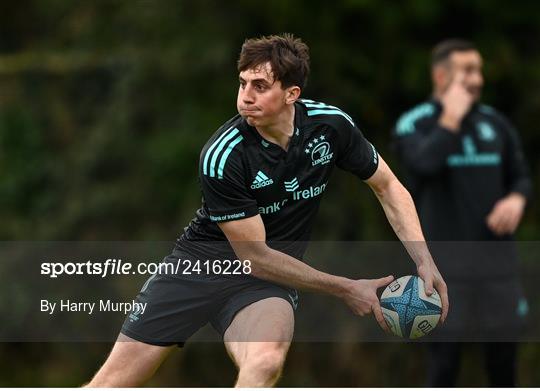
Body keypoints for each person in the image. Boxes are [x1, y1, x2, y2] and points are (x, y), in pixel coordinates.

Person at [86, 34, 448, 387]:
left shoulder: (330, 127)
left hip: (262, 286)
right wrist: (346, 288)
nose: (245, 97)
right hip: (195, 271)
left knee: (266, 362)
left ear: (292, 94)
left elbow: (388, 187)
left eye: (260, 86)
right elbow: (255, 256)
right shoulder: (224, 155)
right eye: (242, 84)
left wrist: (424, 260)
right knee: (110, 385)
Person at [392, 39, 532, 387]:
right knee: (444, 367)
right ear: (441, 76)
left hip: (498, 269)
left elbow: (521, 177)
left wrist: (516, 198)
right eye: (468, 70)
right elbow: (422, 165)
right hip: (442, 271)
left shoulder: (494, 123)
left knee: (503, 366)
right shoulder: (415, 123)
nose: (477, 79)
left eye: (479, 69)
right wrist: (450, 119)